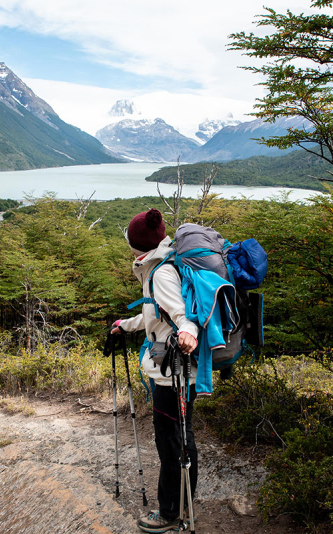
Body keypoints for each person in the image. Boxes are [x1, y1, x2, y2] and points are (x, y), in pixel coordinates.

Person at [111, 208, 199, 533]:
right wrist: (127, 325)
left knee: (171, 442)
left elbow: (178, 314)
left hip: (172, 374)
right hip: (177, 371)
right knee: (181, 436)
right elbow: (155, 313)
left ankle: (170, 512)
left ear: (138, 246)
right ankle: (185, 502)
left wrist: (188, 331)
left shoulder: (160, 273)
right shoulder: (161, 264)